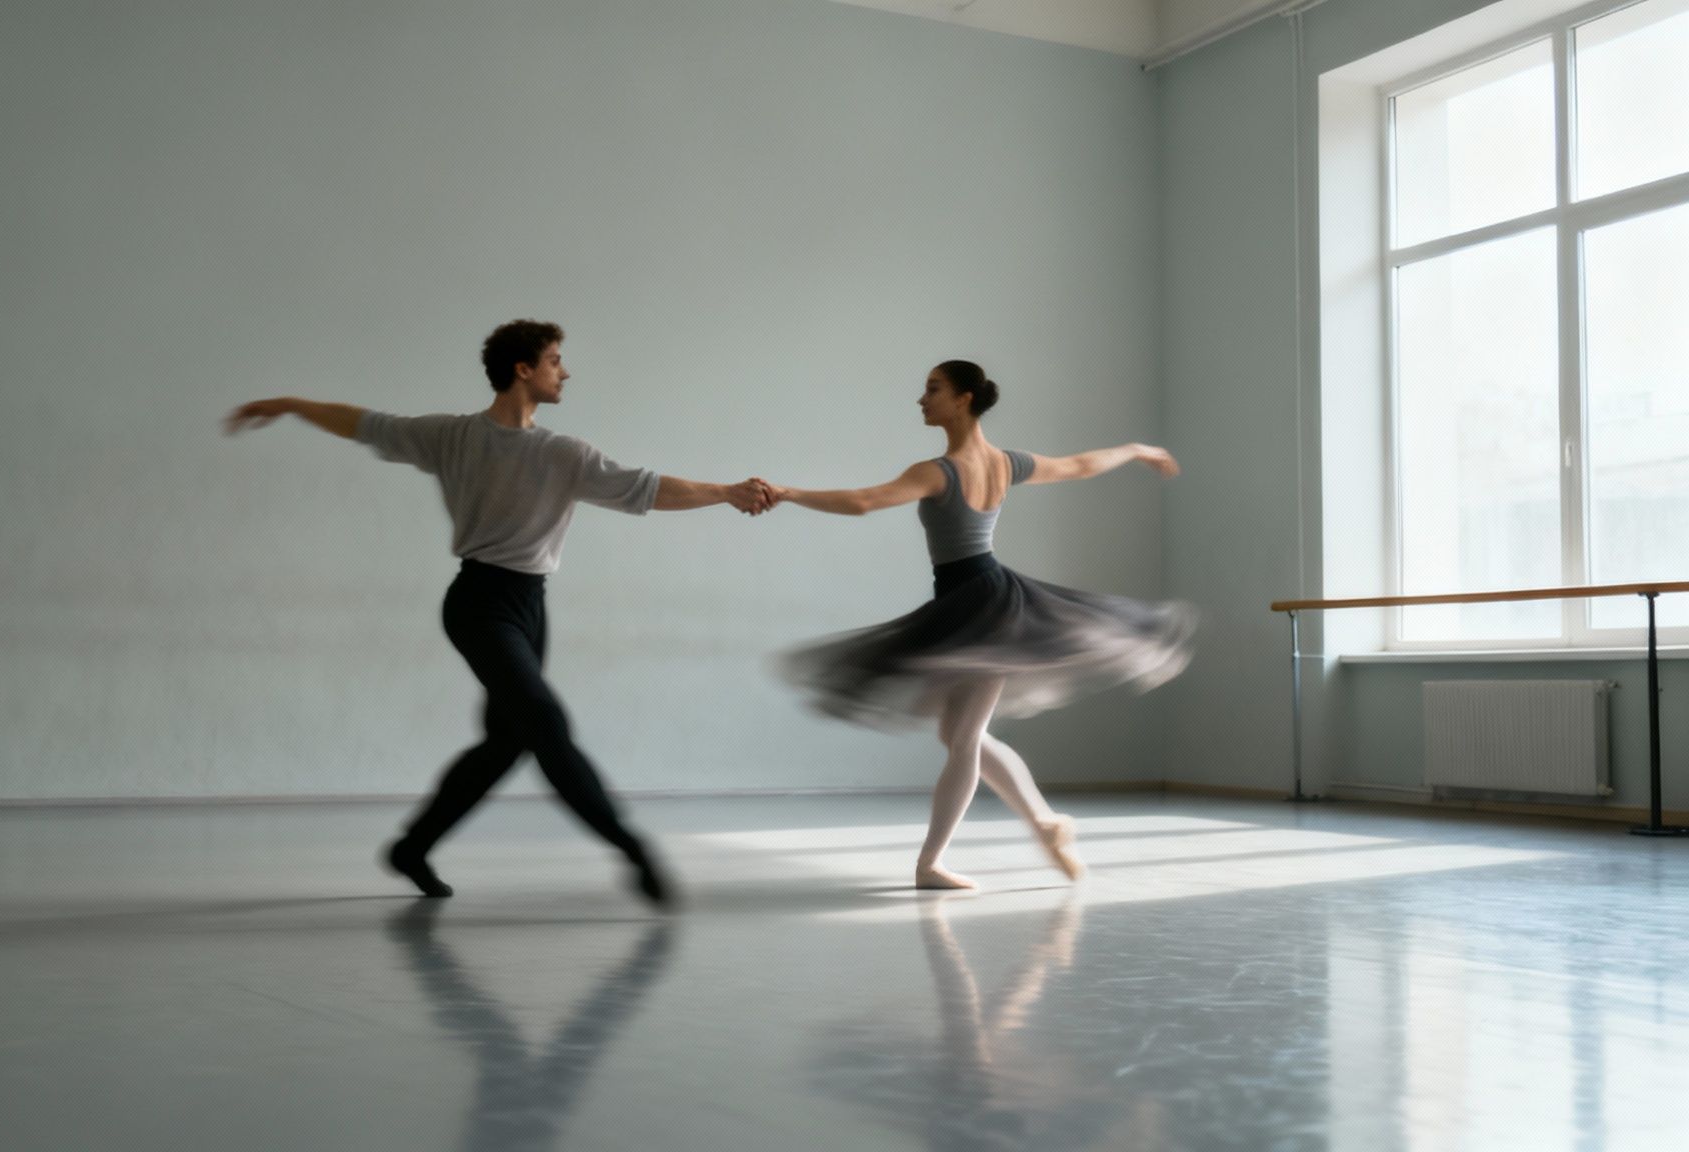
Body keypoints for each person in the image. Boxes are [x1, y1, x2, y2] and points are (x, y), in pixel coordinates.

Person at [224, 319, 771, 906]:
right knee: (544, 722)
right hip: (480, 605)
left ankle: (412, 847)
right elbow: (362, 423)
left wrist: (727, 492)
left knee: (507, 742)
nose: (565, 372)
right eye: (556, 360)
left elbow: (648, 488)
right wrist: (289, 403)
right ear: (523, 369)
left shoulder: (565, 454)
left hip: (530, 608)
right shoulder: (452, 436)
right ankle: (633, 851)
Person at [764, 360, 1193, 890]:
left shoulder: (937, 472)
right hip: (977, 596)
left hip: (982, 604)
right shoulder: (1006, 463)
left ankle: (932, 862)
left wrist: (786, 492)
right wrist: (1137, 449)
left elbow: (864, 502)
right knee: (960, 733)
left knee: (963, 737)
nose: (921, 399)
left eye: (933, 389)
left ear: (964, 398)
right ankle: (1045, 823)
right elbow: (1080, 464)